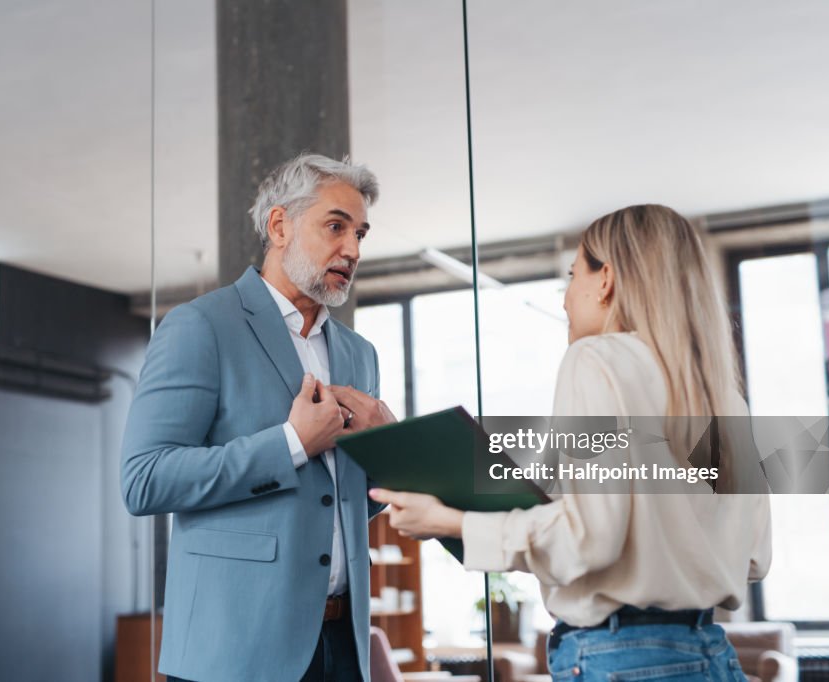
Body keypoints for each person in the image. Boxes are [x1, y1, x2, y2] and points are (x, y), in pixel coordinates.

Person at [370, 205, 772, 681]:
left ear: (606, 280)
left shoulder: (596, 359)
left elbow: (590, 538)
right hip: (710, 655)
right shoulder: (721, 394)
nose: (565, 300)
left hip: (623, 659)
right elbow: (754, 557)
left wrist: (452, 521)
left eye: (572, 275)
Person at [121, 153, 395, 682]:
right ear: (279, 226)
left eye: (361, 233)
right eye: (336, 227)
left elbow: (337, 506)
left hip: (344, 647)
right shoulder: (200, 326)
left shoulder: (361, 355)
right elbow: (144, 480)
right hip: (234, 650)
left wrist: (386, 459)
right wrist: (292, 443)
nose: (354, 250)